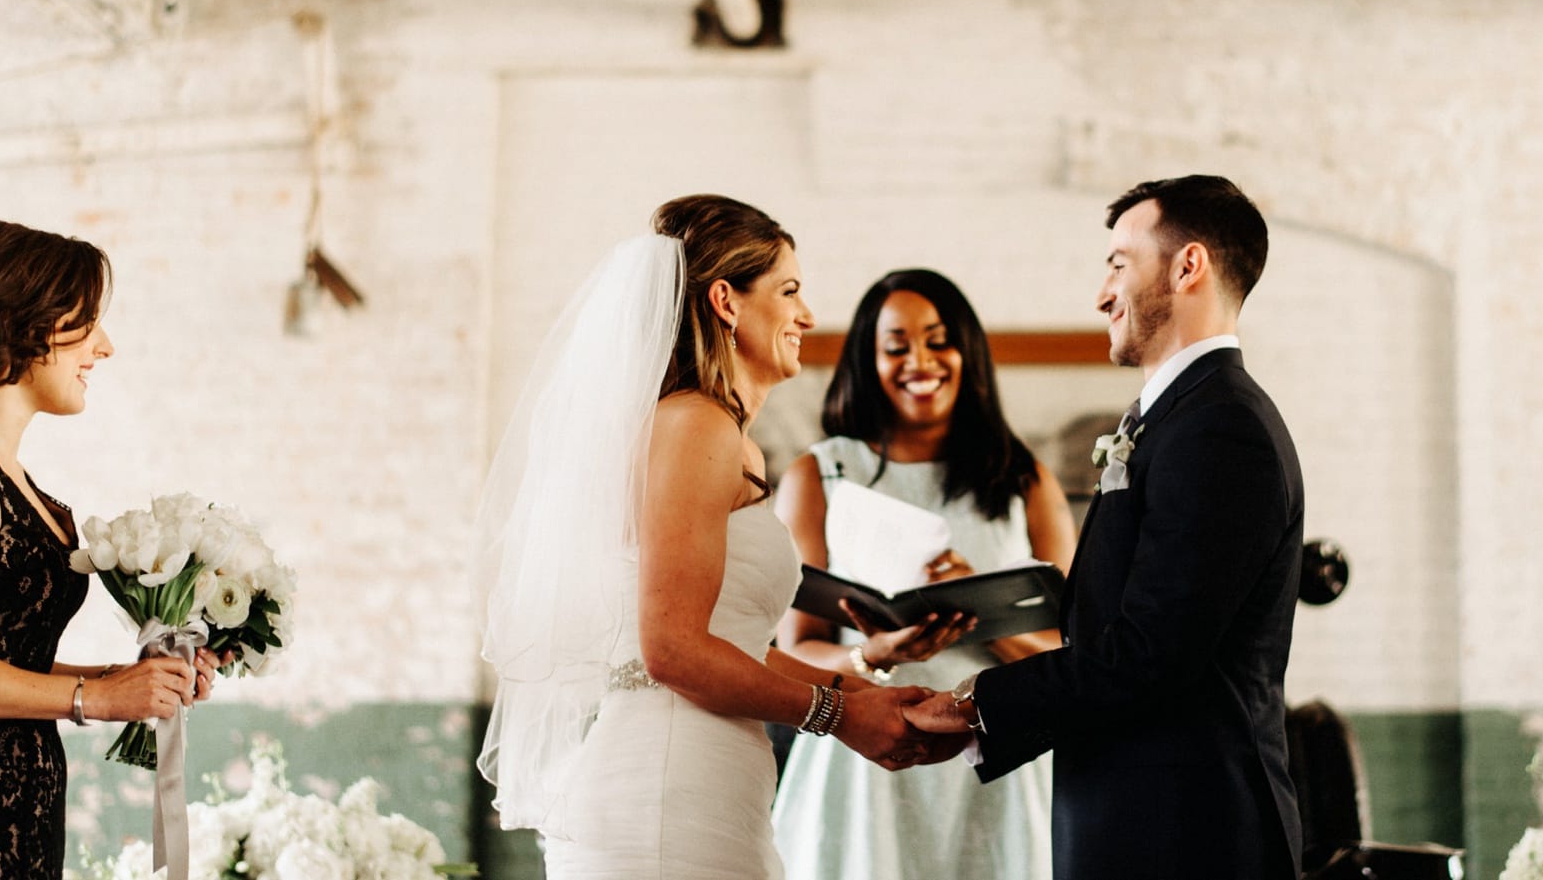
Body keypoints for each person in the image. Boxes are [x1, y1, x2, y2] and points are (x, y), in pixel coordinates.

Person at [476, 196, 957, 880]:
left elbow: (734, 648)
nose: (808, 315)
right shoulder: (696, 425)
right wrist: (835, 717)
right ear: (727, 300)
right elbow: (671, 649)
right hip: (665, 794)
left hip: (704, 781)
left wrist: (863, 694)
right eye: (789, 290)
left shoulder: (724, 440)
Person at [910, 175, 1307, 880]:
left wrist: (979, 704)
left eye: (1118, 263)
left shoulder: (1221, 428)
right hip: (1138, 818)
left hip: (1188, 835)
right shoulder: (1176, 418)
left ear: (1188, 266)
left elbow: (1150, 653)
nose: (1101, 294)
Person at [772, 268, 1076, 880]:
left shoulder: (1025, 481)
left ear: (967, 351)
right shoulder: (820, 475)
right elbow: (792, 648)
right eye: (896, 346)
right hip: (863, 763)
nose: (921, 361)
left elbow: (1074, 656)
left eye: (939, 340)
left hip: (997, 763)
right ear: (869, 359)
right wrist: (874, 653)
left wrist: (978, 611)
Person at [0, 220, 223, 876]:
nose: (105, 346)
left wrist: (134, 682)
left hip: (25, 804)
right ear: (26, 319)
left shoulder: (23, 485)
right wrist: (93, 700)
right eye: (88, 321)